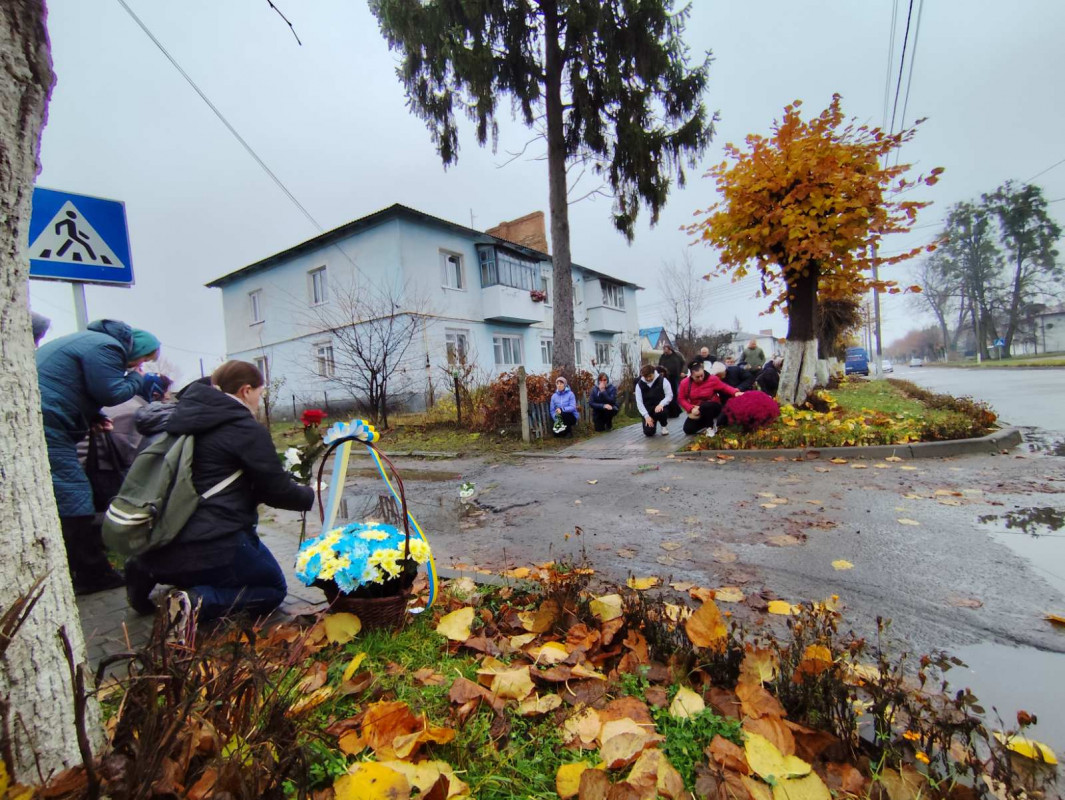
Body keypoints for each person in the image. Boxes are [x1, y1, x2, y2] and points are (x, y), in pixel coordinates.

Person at [124, 360, 314, 628]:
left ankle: (143, 570)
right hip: (214, 543)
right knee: (272, 589)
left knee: (202, 565)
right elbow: (277, 492)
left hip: (157, 537)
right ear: (246, 390)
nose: (259, 401)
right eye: (260, 393)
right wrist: (308, 495)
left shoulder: (175, 419)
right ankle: (197, 600)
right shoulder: (243, 428)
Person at [37, 319, 160, 595]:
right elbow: (111, 391)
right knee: (74, 494)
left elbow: (71, 385)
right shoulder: (107, 346)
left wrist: (94, 415)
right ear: (135, 350)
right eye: (143, 359)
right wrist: (138, 378)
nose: (138, 364)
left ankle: (77, 568)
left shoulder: (86, 341)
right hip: (49, 422)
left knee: (67, 492)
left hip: (46, 416)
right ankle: (91, 574)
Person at [678, 360, 742, 436]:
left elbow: (725, 387)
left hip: (713, 406)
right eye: (697, 377)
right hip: (698, 409)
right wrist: (691, 408)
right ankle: (708, 423)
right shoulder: (684, 383)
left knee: (706, 406)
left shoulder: (712, 379)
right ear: (691, 375)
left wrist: (735, 392)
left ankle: (710, 428)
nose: (701, 378)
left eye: (702, 375)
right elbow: (681, 398)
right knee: (688, 429)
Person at [634, 364, 672, 437]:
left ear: (654, 372)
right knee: (648, 432)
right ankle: (651, 424)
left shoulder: (663, 380)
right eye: (646, 377)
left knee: (661, 412)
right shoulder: (639, 385)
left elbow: (669, 395)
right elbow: (639, 402)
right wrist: (646, 416)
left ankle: (664, 426)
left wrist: (661, 404)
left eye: (650, 376)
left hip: (660, 408)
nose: (648, 378)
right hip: (648, 410)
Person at [657, 344, 686, 418]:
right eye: (664, 350)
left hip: (675, 376)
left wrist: (682, 372)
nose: (665, 352)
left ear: (670, 349)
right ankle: (671, 410)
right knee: (667, 393)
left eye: (666, 350)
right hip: (666, 377)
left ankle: (675, 410)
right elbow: (659, 366)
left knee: (674, 393)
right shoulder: (663, 356)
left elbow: (683, 363)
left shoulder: (677, 355)